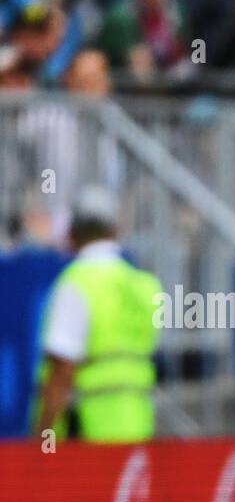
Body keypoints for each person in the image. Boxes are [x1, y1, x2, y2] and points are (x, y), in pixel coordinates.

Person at [32, 187, 163, 444]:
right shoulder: (144, 285)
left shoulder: (77, 284)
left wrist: (42, 436)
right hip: (139, 427)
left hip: (86, 432)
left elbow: (62, 371)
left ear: (73, 232)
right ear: (117, 227)